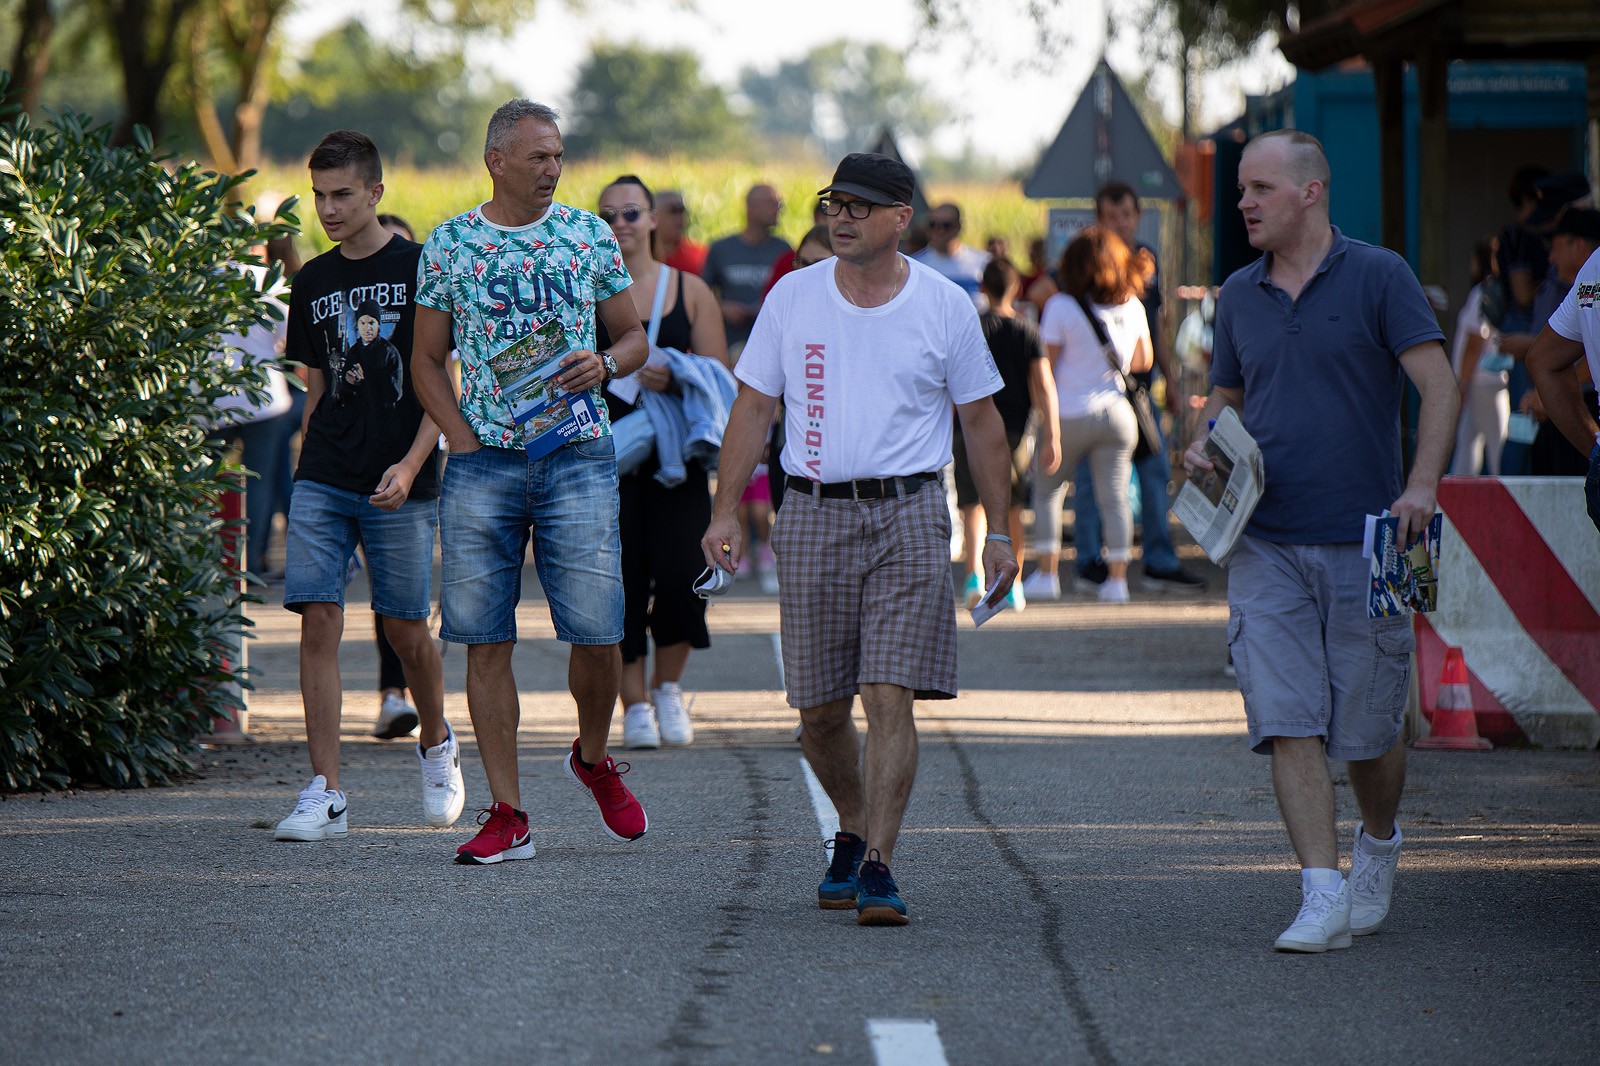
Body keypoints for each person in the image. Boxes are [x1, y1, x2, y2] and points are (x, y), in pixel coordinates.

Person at [701, 153, 1019, 926]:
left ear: (901, 217)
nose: (841, 217)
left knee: (889, 693)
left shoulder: (943, 305)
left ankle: (878, 861)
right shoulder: (794, 297)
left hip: (911, 512)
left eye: (861, 206)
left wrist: (1002, 535)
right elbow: (751, 408)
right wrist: (723, 512)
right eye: (833, 203)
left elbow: (982, 422)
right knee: (818, 710)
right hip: (811, 512)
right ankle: (850, 824)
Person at [1184, 129, 1458, 953]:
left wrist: (1420, 487)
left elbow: (1439, 389)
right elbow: (1223, 398)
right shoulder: (1236, 293)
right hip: (1262, 541)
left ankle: (1378, 842)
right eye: (1241, 190)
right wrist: (1203, 441)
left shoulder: (1380, 275)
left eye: (1260, 188)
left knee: (1370, 733)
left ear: (1311, 192)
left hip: (1375, 540)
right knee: (1285, 718)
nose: (1244, 203)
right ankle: (1318, 888)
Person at [410, 99, 650, 864]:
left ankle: (591, 756)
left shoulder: (586, 235)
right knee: (483, 639)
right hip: (482, 462)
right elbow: (423, 358)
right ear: (497, 161)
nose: (553, 169)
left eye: (558, 156)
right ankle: (508, 812)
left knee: (600, 631)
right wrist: (457, 432)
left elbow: (635, 336)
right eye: (539, 157)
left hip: (574, 452)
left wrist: (605, 364)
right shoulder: (449, 243)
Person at [272, 130, 464, 842]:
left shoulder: (422, 267)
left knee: (407, 629)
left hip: (402, 475)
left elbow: (448, 380)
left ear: (375, 192)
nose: (328, 207)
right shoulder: (314, 281)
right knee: (318, 619)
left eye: (342, 193)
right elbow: (315, 385)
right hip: (323, 473)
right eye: (320, 195)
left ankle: (438, 743)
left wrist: (415, 463)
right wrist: (305, 463)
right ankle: (326, 790)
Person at [594, 174, 729, 750]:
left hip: (677, 463)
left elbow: (724, 378)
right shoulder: (586, 292)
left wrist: (675, 374)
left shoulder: (689, 291)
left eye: (630, 214)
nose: (620, 225)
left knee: (681, 577)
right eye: (608, 217)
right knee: (618, 587)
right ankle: (634, 704)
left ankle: (667, 687)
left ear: (653, 219)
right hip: (604, 463)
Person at [1071, 182, 1206, 596]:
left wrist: (1171, 381)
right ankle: (1089, 562)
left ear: (1137, 215)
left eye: (1127, 214)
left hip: (1141, 392)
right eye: (1112, 216)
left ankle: (1159, 561)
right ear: (1099, 219)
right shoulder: (1083, 263)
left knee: (1155, 473)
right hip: (1094, 394)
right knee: (1093, 482)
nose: (1121, 223)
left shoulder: (1147, 260)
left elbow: (1158, 328)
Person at [1022, 225, 1152, 605]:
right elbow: (1144, 360)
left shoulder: (1061, 306)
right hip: (1117, 415)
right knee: (1115, 498)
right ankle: (1117, 582)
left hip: (1069, 414)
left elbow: (1045, 366)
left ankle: (1047, 576)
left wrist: (1044, 424)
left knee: (1047, 492)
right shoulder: (1133, 305)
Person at [954, 257, 1048, 609]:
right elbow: (1043, 384)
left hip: (967, 426)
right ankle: (1014, 582)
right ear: (1016, 288)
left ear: (982, 288)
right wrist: (1051, 431)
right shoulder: (1026, 330)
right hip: (1015, 430)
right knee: (1012, 507)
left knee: (971, 506)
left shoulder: (971, 327)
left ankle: (973, 578)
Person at [365, 211, 425, 738]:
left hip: (427, 456)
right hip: (361, 462)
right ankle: (392, 695)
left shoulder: (428, 291)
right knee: (386, 589)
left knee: (412, 590)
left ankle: (421, 679)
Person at [1524, 207, 1600, 486]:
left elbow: (1543, 360)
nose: (1551, 257)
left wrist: (1596, 453)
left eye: (1555, 246)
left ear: (1578, 245)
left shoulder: (1593, 269)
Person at [702, 183, 789, 355]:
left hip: (772, 346)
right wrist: (723, 308)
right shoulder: (722, 248)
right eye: (771, 203)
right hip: (729, 344)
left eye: (779, 204)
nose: (777, 209)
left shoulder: (784, 250)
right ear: (752, 207)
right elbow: (700, 294)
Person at [1449, 238, 1509, 475]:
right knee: (1469, 440)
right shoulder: (1490, 291)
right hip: (1483, 382)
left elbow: (1475, 342)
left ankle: (1509, 500)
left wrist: (1462, 382)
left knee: (1496, 449)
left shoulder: (1482, 292)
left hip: (1483, 381)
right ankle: (1459, 500)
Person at [913, 202, 989, 308]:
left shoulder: (984, 262)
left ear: (959, 227)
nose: (939, 230)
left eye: (946, 225)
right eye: (933, 224)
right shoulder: (915, 265)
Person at [657, 190, 708, 276]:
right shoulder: (639, 256)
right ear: (653, 216)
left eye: (682, 211)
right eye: (673, 211)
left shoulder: (700, 256)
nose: (679, 217)